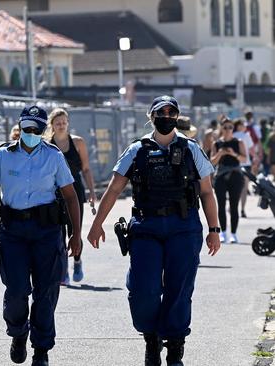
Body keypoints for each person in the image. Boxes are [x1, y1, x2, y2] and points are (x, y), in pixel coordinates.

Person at [87, 96, 221, 366]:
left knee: (179, 288)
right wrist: (96, 223)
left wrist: (214, 228)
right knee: (142, 289)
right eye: (162, 112)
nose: (167, 116)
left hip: (183, 227)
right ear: (151, 116)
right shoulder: (137, 149)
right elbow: (114, 189)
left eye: (172, 112)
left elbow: (207, 191)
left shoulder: (191, 148)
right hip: (146, 227)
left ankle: (174, 345)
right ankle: (151, 338)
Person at [0, 106, 82, 366]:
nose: (31, 133)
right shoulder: (3, 155)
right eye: (27, 129)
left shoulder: (54, 156)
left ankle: (41, 350)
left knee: (46, 292)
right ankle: (18, 332)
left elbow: (70, 196)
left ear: (43, 129)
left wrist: (77, 234)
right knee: (16, 290)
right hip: (14, 232)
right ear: (20, 127)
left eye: (36, 129)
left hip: (47, 231)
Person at [43, 108, 96, 285]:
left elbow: (86, 169)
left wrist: (92, 192)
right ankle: (63, 269)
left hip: (75, 191)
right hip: (54, 194)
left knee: (75, 229)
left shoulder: (78, 142)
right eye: (58, 123)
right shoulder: (47, 144)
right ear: (52, 125)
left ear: (68, 123)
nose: (61, 125)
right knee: (59, 233)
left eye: (64, 122)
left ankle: (77, 261)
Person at [210, 118, 247, 243]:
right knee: (221, 205)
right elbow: (212, 163)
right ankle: (223, 232)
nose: (227, 130)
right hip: (220, 176)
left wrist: (233, 154)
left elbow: (244, 159)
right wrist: (220, 153)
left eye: (230, 127)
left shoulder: (239, 142)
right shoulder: (216, 143)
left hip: (235, 176)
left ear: (233, 128)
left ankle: (233, 234)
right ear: (221, 128)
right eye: (225, 127)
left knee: (234, 205)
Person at [233, 119, 254, 218]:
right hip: (246, 164)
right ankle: (242, 210)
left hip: (234, 164)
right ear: (239, 126)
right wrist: (255, 161)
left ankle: (233, 208)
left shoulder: (231, 136)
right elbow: (252, 150)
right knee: (244, 189)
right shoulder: (246, 136)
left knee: (234, 188)